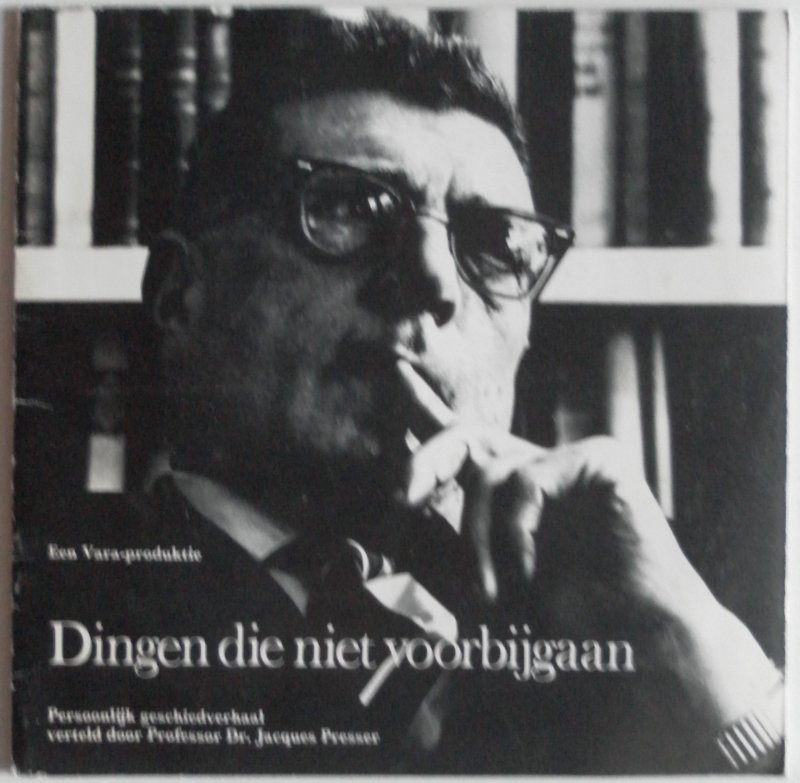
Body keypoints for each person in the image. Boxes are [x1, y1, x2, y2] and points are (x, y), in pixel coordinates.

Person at [17, 11, 783, 774]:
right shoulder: (37, 616)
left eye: (492, 244)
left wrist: (697, 655)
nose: (433, 279)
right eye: (347, 207)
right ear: (180, 296)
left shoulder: (651, 611)